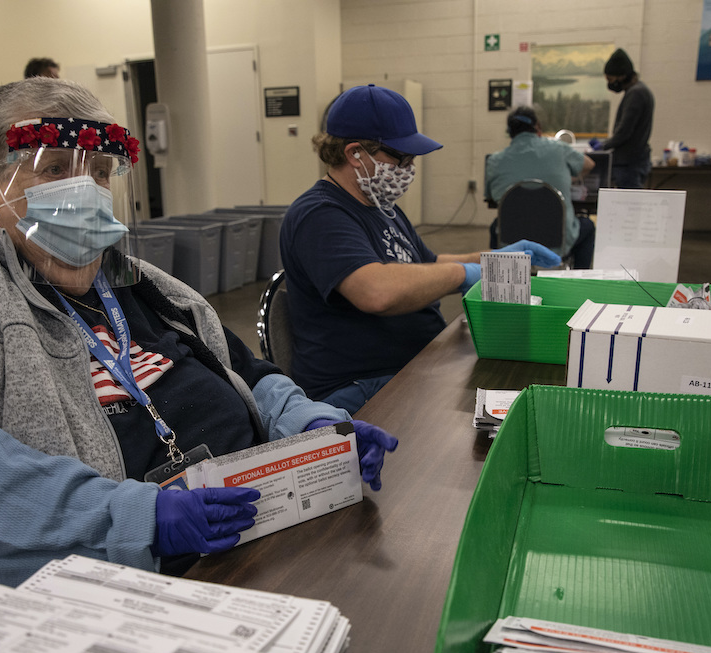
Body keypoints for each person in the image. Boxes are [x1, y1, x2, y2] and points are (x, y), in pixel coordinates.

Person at [0, 78, 397, 609]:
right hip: (126, 585)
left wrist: (312, 427)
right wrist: (137, 519)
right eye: (53, 168)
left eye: (100, 172)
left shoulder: (141, 285)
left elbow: (244, 370)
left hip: (260, 524)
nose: (84, 191)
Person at [280, 84, 559, 414]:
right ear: (355, 154)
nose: (409, 168)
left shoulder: (382, 207)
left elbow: (428, 263)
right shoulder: (320, 215)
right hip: (360, 386)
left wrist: (493, 261)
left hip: (410, 363)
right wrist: (463, 274)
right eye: (401, 158)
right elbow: (375, 291)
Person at [485, 106, 596, 269]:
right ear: (537, 126)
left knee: (497, 226)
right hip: (558, 241)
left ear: (509, 132)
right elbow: (589, 164)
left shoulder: (494, 161)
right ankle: (578, 281)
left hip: (513, 243)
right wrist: (567, 179)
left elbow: (492, 196)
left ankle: (499, 278)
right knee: (588, 226)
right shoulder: (559, 149)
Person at [599, 48, 654, 189]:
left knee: (628, 205)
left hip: (629, 164)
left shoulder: (636, 94)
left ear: (622, 76)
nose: (610, 83)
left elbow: (624, 131)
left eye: (610, 79)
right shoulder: (640, 91)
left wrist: (603, 146)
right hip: (634, 160)